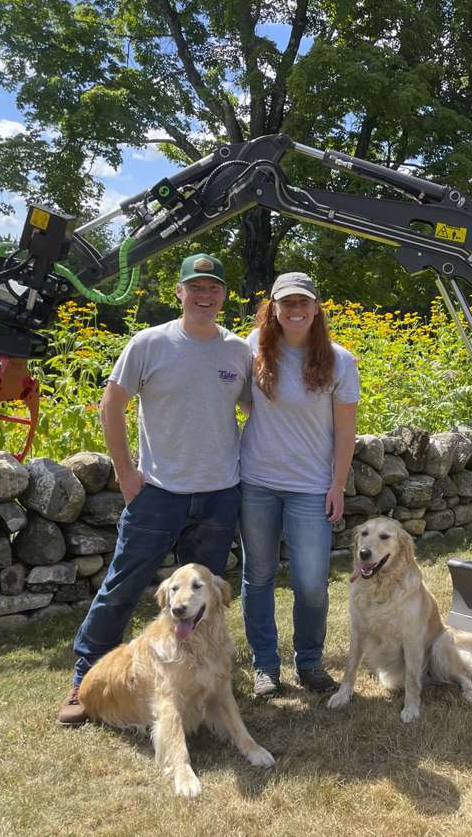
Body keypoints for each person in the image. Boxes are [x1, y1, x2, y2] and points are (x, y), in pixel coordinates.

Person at [58, 253, 252, 726]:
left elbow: (260, 407)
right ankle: (84, 682)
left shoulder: (238, 351)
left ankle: (202, 679)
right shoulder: (150, 343)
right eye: (196, 287)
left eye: (213, 288)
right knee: (122, 586)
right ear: (180, 293)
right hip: (159, 491)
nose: (205, 296)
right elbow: (112, 404)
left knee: (202, 598)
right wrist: (126, 472)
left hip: (220, 492)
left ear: (223, 295)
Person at [239, 271, 359, 698]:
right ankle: (265, 666)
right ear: (272, 308)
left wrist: (337, 485)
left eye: (302, 302)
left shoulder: (340, 360)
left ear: (315, 307)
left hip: (311, 486)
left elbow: (346, 433)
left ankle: (309, 661)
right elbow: (234, 397)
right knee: (259, 575)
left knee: (311, 582)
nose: (295, 310)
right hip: (256, 481)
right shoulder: (251, 348)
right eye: (286, 302)